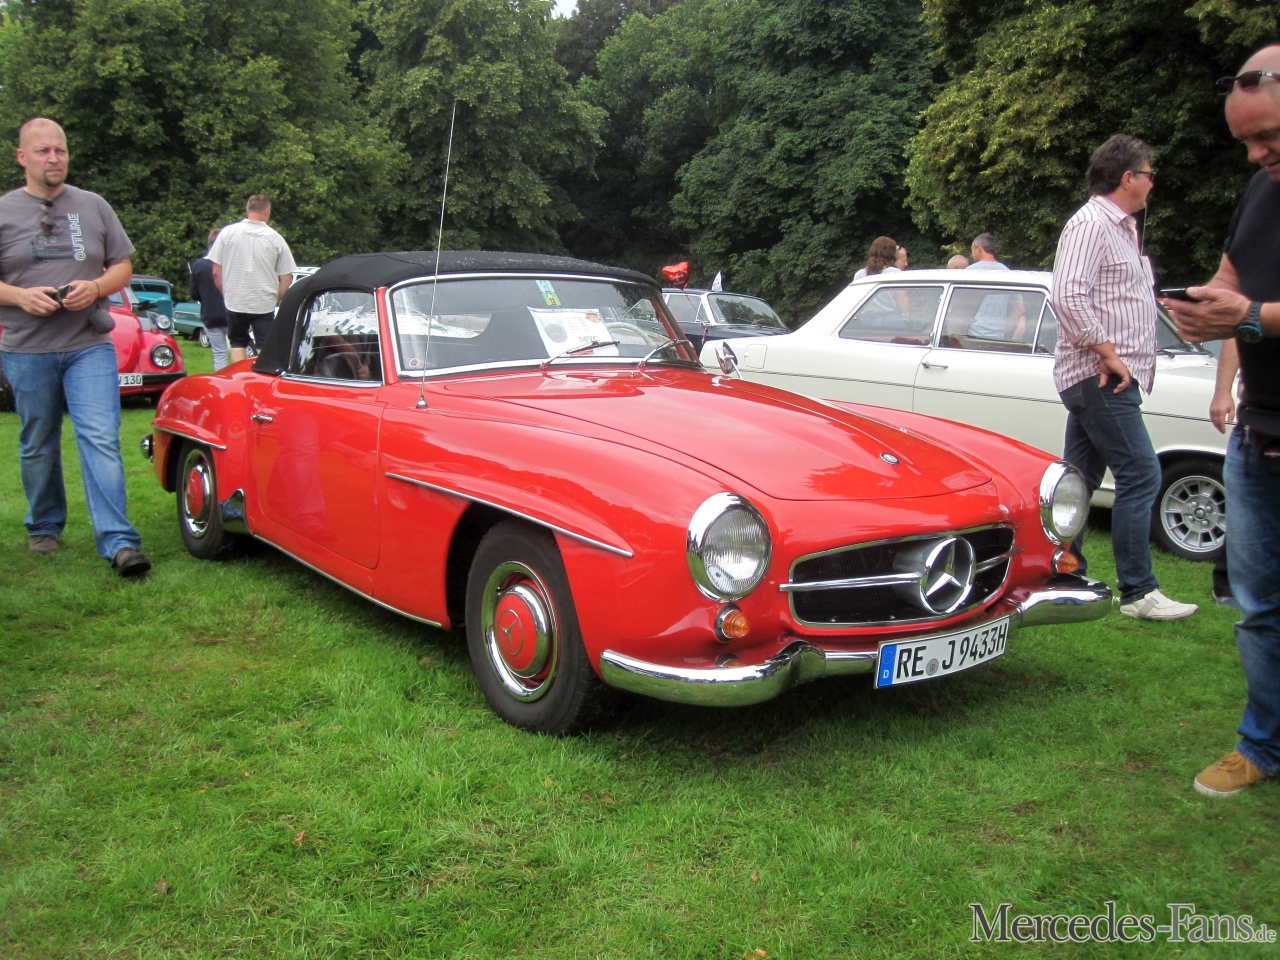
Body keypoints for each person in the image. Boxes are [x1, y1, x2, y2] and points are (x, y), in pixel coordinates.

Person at [1166, 43, 1280, 797]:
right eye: (1245, 141)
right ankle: (1262, 745)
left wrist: (1251, 318)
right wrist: (1204, 308)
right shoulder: (1261, 191)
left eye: (1267, 136)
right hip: (1260, 433)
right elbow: (1232, 279)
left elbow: (1252, 311)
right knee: (1258, 608)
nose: (1256, 154)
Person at [1051, 133, 1197, 622]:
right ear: (1128, 176)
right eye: (1150, 173)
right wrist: (1108, 353)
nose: (1154, 182)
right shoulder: (1090, 224)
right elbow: (1068, 296)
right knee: (1142, 473)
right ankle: (1139, 592)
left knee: (1078, 481)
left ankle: (1062, 572)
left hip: (1107, 375)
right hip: (1100, 377)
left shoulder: (1122, 229)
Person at [0, 117, 150, 576]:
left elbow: (122, 266)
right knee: (38, 441)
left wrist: (96, 286)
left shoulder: (93, 205)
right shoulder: (5, 211)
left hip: (88, 343)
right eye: (43, 151)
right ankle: (44, 525)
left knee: (101, 437)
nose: (54, 158)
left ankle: (119, 542)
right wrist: (20, 296)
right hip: (27, 348)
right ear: (22, 157)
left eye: (60, 150)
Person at [209, 194, 296, 364]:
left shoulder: (227, 233)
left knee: (237, 343)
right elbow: (287, 277)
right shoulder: (275, 238)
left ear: (247, 210)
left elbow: (216, 272)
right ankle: (262, 375)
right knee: (265, 345)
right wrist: (276, 298)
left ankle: (240, 375)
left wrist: (227, 294)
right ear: (266, 211)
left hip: (235, 300)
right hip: (263, 302)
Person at [966, 233, 1025, 339]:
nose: (972, 255)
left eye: (972, 250)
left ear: (979, 249)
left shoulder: (969, 272)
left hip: (971, 335)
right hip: (997, 337)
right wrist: (1005, 328)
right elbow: (1019, 307)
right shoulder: (1008, 273)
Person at [188, 227, 229, 371]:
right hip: (231, 314)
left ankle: (221, 379)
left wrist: (206, 298)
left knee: (219, 354)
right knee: (239, 349)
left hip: (210, 314)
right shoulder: (229, 265)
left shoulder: (199, 265)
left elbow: (194, 293)